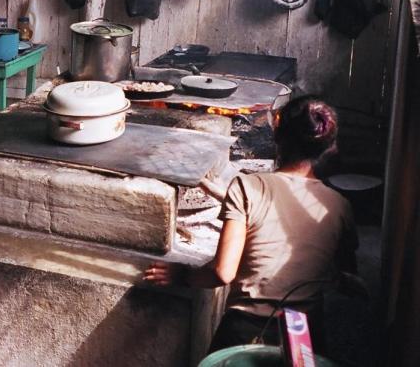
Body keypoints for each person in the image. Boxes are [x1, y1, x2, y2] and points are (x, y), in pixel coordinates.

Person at [144, 96, 359, 354]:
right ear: (329, 147)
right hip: (304, 335)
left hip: (247, 332)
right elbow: (344, 273)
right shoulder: (338, 205)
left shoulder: (248, 187)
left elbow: (222, 273)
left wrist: (181, 275)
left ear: (277, 136)